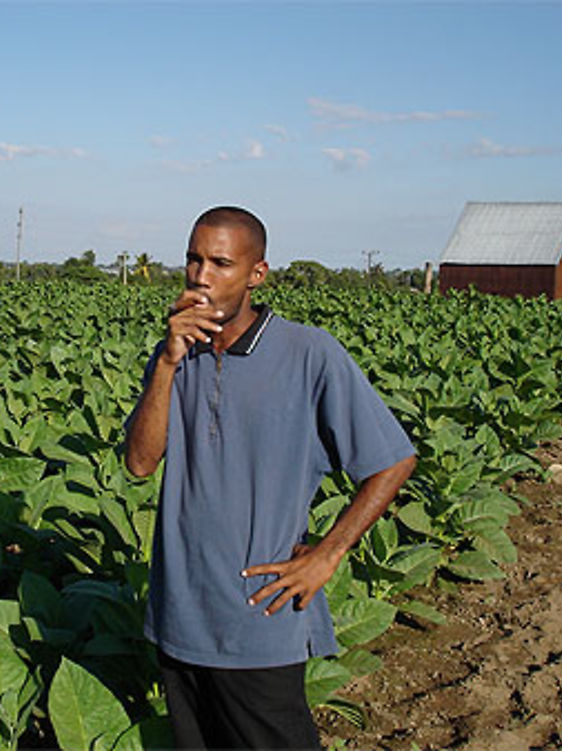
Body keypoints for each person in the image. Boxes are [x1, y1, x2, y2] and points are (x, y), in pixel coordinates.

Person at [124, 206, 417, 749]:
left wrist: (329, 554)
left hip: (259, 617)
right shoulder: (173, 355)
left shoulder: (309, 353)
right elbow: (139, 463)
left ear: (256, 274)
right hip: (179, 617)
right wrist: (166, 363)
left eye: (220, 263)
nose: (201, 276)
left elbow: (392, 460)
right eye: (193, 259)